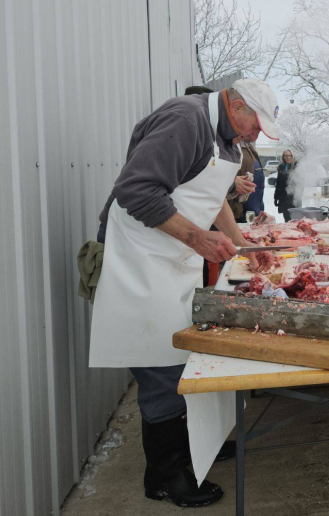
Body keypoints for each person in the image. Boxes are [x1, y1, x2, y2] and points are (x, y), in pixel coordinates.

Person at [89, 78, 279, 507]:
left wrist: (242, 245)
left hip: (169, 257)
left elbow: (210, 197)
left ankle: (194, 445)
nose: (256, 135)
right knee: (158, 359)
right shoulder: (186, 119)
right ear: (236, 105)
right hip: (136, 255)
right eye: (255, 125)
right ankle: (165, 475)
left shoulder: (226, 141)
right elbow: (135, 189)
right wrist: (199, 240)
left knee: (185, 353)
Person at [227, 141, 265, 223]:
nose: (255, 137)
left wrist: (260, 208)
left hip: (254, 209)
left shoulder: (250, 149)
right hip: (239, 212)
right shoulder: (232, 147)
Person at [274, 150, 298, 221]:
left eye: (289, 155)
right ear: (283, 157)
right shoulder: (281, 167)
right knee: (286, 218)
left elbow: (300, 184)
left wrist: (297, 198)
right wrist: (276, 197)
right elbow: (278, 184)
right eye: (285, 156)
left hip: (293, 198)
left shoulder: (296, 167)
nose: (288, 157)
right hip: (283, 198)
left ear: (292, 156)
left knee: (294, 219)